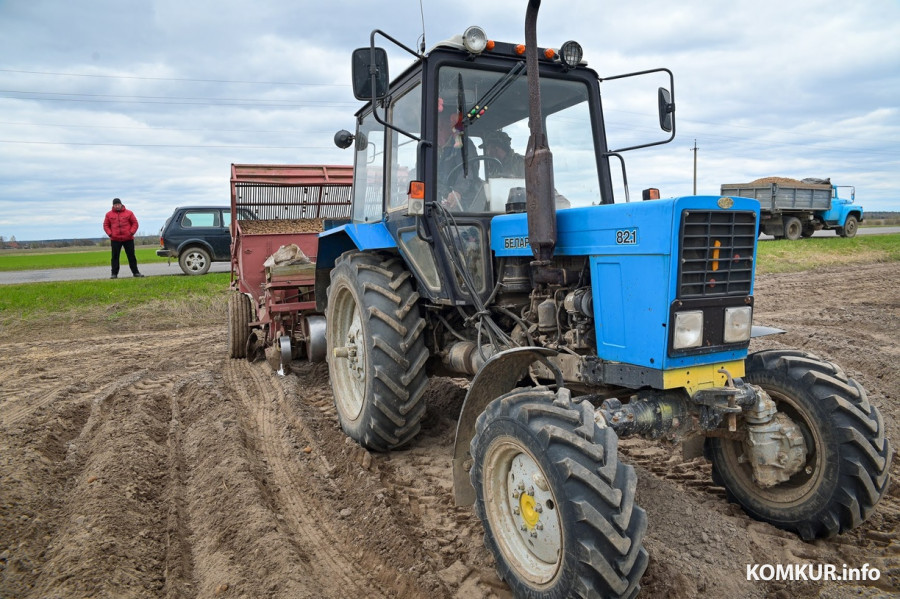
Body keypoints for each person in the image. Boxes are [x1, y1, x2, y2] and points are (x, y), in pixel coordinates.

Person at [436, 99, 486, 212]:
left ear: (449, 127)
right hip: (445, 201)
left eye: (439, 129)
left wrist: (457, 191)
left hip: (466, 203)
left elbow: (467, 172)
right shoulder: (440, 151)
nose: (437, 133)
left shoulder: (462, 144)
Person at [103, 198, 144, 278]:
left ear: (121, 204)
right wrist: (110, 234)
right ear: (113, 206)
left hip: (128, 239)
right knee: (115, 257)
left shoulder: (129, 213)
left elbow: (135, 223)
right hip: (115, 239)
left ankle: (136, 272)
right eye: (115, 205)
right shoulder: (108, 214)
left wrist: (131, 232)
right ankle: (114, 274)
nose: (117, 206)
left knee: (131, 256)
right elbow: (106, 225)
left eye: (118, 204)